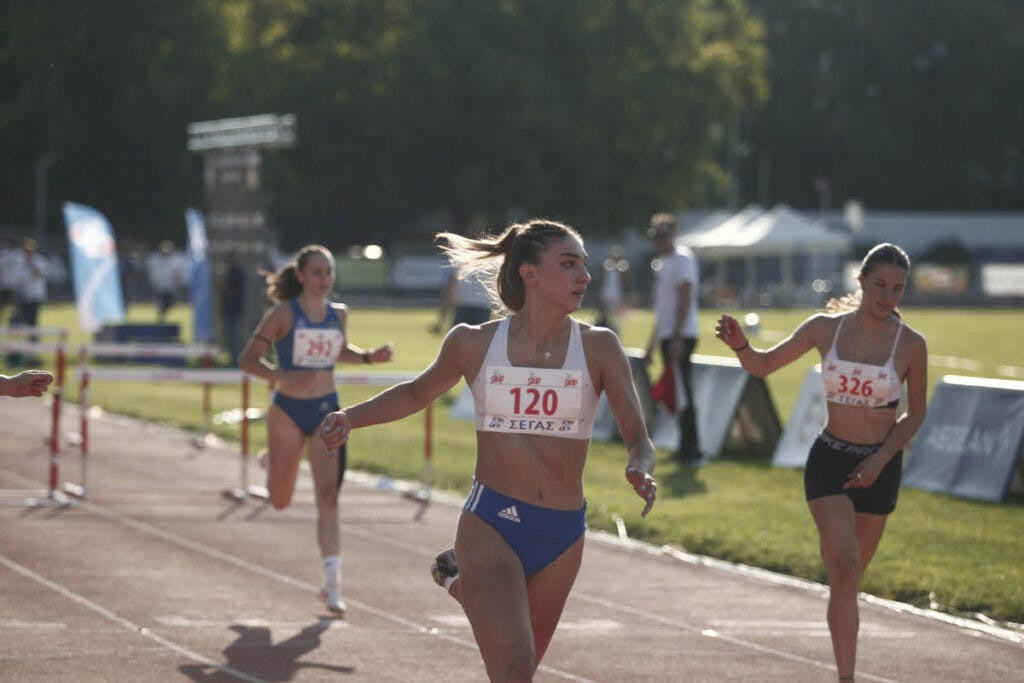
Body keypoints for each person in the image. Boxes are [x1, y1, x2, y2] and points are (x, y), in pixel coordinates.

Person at [320, 219, 658, 681]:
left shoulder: (599, 348)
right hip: (492, 523)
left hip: (562, 535)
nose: (585, 275)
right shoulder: (473, 343)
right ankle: (473, 580)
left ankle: (462, 584)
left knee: (515, 673)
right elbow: (416, 393)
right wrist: (350, 417)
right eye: (568, 263)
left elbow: (639, 439)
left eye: (584, 264)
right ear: (529, 273)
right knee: (516, 667)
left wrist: (640, 468)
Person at [714, 243, 927, 683]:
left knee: (848, 580)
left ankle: (842, 666)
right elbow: (764, 365)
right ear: (861, 282)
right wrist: (741, 347)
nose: (887, 298)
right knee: (846, 565)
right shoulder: (824, 330)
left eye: (898, 290)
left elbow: (917, 413)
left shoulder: (910, 345)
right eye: (880, 286)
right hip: (831, 461)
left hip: (880, 465)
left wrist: (882, 458)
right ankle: (846, 677)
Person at [238, 244, 394, 615]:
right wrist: (281, 375)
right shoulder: (282, 315)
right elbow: (247, 359)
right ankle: (275, 459)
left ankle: (332, 585)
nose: (326, 280)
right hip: (288, 410)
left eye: (330, 272)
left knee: (329, 498)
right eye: (318, 272)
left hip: (327, 411)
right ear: (303, 276)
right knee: (280, 500)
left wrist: (370, 356)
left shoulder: (338, 315)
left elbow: (338, 351)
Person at [643, 213, 702, 464]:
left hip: (682, 334)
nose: (659, 241)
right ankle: (684, 446)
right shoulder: (662, 262)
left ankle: (692, 449)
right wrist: (651, 344)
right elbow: (662, 309)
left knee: (682, 391)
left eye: (663, 235)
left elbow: (685, 299)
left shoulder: (682, 260)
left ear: (674, 235)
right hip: (669, 334)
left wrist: (677, 337)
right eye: (656, 236)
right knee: (676, 393)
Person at [431, 266, 492, 334]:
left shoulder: (458, 264)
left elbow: (450, 290)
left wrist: (441, 320)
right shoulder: (491, 264)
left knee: (459, 341)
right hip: (482, 309)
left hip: (463, 309)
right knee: (482, 342)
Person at [594, 245, 630, 336]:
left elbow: (625, 282)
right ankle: (602, 328)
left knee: (616, 314)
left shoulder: (622, 267)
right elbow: (601, 278)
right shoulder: (607, 265)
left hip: (617, 292)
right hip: (607, 291)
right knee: (603, 312)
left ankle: (615, 331)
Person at [147, 239, 185, 322]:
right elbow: (153, 272)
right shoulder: (155, 259)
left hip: (170, 286)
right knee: (162, 303)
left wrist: (176, 283)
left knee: (170, 303)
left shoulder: (176, 259)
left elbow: (177, 272)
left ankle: (162, 316)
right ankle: (161, 317)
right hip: (160, 286)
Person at [219, 254, 246, 365]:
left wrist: (222, 288)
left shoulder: (235, 273)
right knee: (232, 336)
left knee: (234, 336)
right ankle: (234, 359)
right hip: (232, 309)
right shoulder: (234, 272)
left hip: (233, 309)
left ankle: (235, 360)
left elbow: (228, 290)